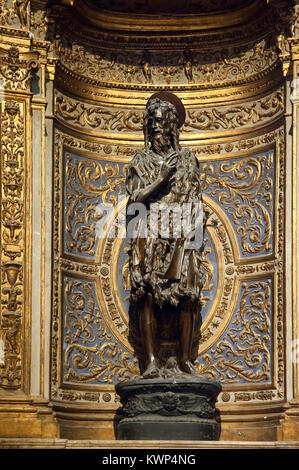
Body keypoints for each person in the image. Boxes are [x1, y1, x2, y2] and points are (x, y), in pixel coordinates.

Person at [126, 92, 205, 378]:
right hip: (149, 231)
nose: (155, 127)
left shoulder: (187, 160)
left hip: (182, 231)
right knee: (145, 291)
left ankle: (184, 360)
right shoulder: (141, 160)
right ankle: (149, 361)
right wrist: (161, 178)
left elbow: (196, 199)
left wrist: (195, 240)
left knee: (187, 291)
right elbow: (135, 199)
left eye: (159, 122)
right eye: (151, 123)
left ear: (172, 124)